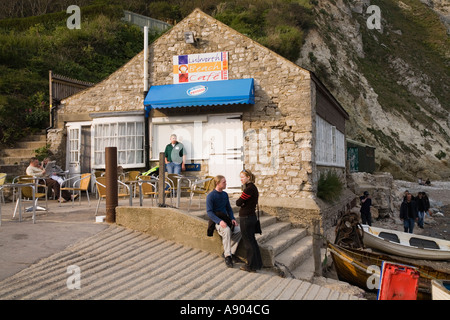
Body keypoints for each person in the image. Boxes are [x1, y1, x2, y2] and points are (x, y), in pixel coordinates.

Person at [206, 175, 241, 268]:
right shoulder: (210, 196)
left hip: (226, 219)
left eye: (225, 182)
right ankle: (227, 256)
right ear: (217, 183)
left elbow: (228, 208)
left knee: (239, 230)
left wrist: (233, 218)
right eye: (224, 182)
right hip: (216, 221)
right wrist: (219, 221)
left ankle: (230, 252)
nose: (226, 183)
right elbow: (209, 212)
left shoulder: (225, 194)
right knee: (226, 230)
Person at [236, 169, 262, 272]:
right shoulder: (253, 188)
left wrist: (242, 203)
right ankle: (257, 264)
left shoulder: (248, 189)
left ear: (248, 177)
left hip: (246, 218)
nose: (241, 179)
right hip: (251, 217)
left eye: (243, 177)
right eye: (240, 177)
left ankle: (250, 266)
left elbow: (238, 202)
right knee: (252, 241)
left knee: (248, 243)